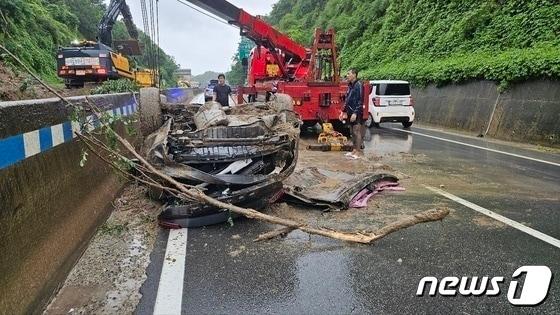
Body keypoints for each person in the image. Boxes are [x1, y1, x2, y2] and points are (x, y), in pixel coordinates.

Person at [340, 68, 364, 159]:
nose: (347, 75)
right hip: (350, 111)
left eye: (349, 73)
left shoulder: (358, 85)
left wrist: (355, 113)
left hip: (356, 112)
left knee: (356, 131)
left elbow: (360, 100)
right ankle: (354, 150)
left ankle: (358, 152)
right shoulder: (350, 85)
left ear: (354, 75)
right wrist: (343, 111)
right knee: (351, 132)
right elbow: (347, 99)